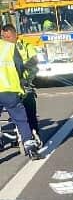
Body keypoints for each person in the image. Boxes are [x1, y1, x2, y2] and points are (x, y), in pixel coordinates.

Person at [0, 23, 41, 158]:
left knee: (28, 110)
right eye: (4, 36)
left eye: (8, 36)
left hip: (17, 87)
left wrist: (26, 81)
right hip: (10, 89)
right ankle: (30, 146)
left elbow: (33, 64)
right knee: (21, 119)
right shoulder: (9, 48)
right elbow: (18, 66)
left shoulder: (25, 45)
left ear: (14, 34)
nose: (6, 38)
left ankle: (33, 137)